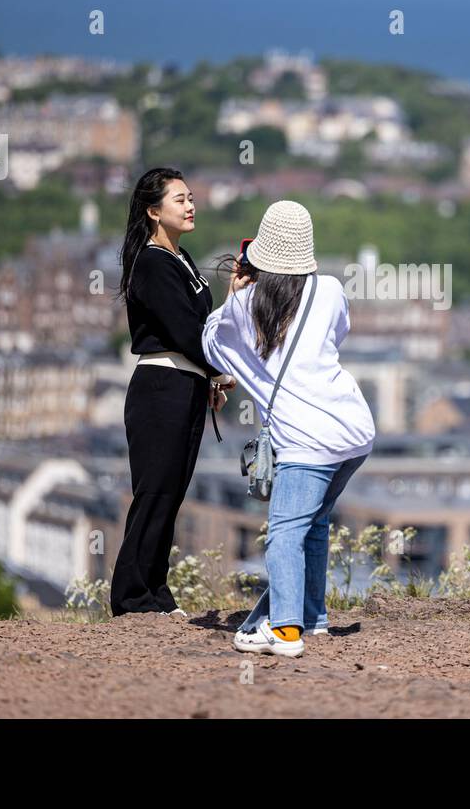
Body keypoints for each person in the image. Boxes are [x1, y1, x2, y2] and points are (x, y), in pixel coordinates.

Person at [202, 200, 374, 657]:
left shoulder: (244, 307)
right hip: (354, 430)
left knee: (283, 533)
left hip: (306, 441)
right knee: (314, 524)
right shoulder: (331, 289)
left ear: (257, 254)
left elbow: (211, 348)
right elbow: (336, 334)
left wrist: (234, 295)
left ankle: (284, 632)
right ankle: (312, 618)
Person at [110, 167, 235, 617]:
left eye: (191, 197)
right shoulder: (150, 262)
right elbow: (185, 331)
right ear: (153, 210)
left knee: (172, 493)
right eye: (179, 199)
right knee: (154, 492)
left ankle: (155, 594)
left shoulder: (180, 259)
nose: (190, 205)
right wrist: (218, 367)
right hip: (160, 387)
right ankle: (131, 598)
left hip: (185, 385)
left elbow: (200, 328)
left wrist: (212, 377)